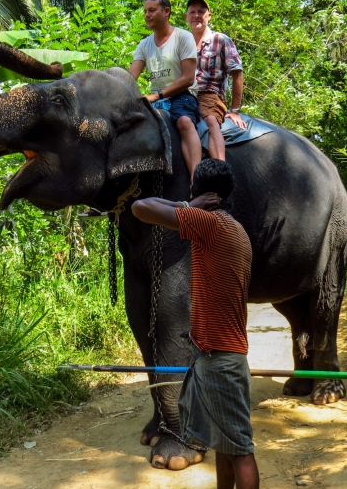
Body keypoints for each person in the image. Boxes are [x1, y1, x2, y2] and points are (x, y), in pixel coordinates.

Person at [131, 159, 259, 489]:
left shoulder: (209, 223)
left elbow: (140, 208)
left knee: (241, 450)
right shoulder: (234, 228)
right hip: (217, 356)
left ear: (197, 191)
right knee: (225, 445)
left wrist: (188, 205)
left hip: (221, 361)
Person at [129, 0, 203, 183]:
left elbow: (188, 78)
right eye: (145, 11)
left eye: (152, 10)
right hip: (157, 99)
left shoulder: (183, 37)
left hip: (183, 95)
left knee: (184, 121)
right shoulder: (144, 45)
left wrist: (157, 95)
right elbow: (129, 78)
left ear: (166, 11)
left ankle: (198, 182)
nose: (147, 15)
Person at [185, 0, 247, 162]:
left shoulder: (220, 40)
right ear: (186, 17)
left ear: (209, 16)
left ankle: (220, 168)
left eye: (201, 12)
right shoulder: (182, 43)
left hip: (210, 96)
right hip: (184, 95)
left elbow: (237, 73)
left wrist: (234, 111)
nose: (196, 15)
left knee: (210, 121)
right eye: (192, 12)